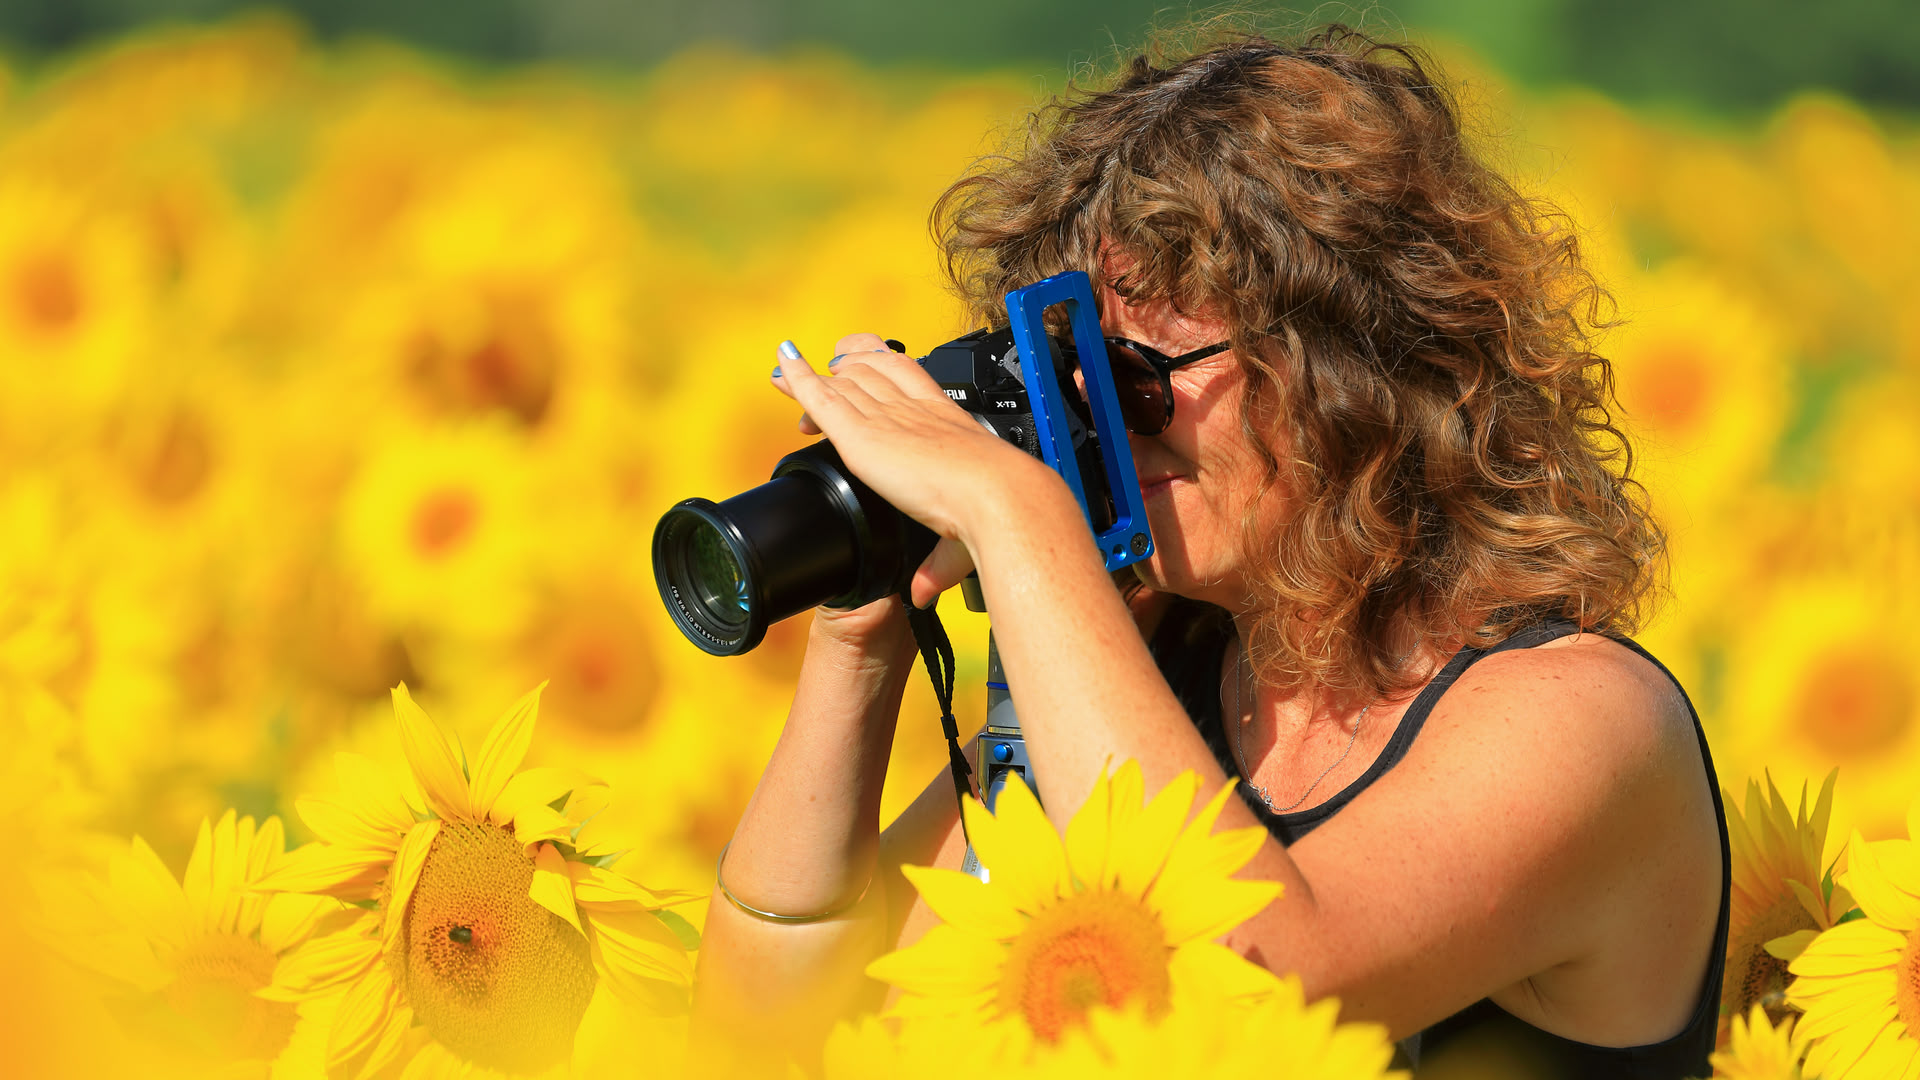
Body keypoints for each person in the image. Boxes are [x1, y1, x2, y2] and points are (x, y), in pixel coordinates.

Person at [690, 25, 1729, 1080]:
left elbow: (1251, 991)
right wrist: (862, 631)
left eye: (1136, 376)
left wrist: (1015, 516)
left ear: (1359, 364)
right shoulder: (1157, 669)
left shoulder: (1588, 721)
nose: (1103, 425)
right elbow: (769, 1033)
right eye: (1072, 369)